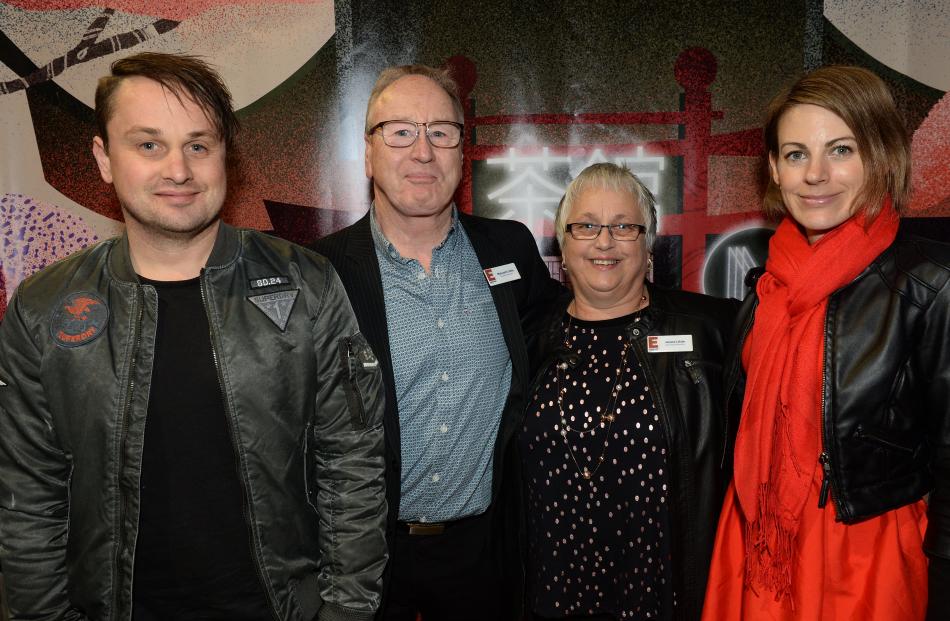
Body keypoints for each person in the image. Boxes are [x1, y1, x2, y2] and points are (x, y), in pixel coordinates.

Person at [0, 52, 387, 621]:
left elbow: (352, 468)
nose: (178, 170)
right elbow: (27, 499)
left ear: (225, 155)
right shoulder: (41, 309)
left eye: (199, 145)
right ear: (104, 159)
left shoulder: (308, 285)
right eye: (149, 145)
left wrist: (345, 613)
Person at [312, 64, 562, 621]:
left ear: (461, 151)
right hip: (366, 560)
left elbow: (553, 337)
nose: (422, 152)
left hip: (485, 554)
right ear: (369, 153)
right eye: (400, 131)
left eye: (441, 132)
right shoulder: (321, 272)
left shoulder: (509, 249)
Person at [702, 65, 950, 620]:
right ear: (774, 168)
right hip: (757, 540)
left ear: (880, 155)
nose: (816, 174)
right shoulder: (765, 290)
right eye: (795, 154)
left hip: (865, 555)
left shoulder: (930, 284)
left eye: (840, 150)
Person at [521, 162, 737, 621]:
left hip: (664, 597)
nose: (604, 241)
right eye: (586, 226)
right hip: (553, 594)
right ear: (563, 242)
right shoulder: (527, 340)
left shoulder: (712, 331)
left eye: (624, 225)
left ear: (647, 243)